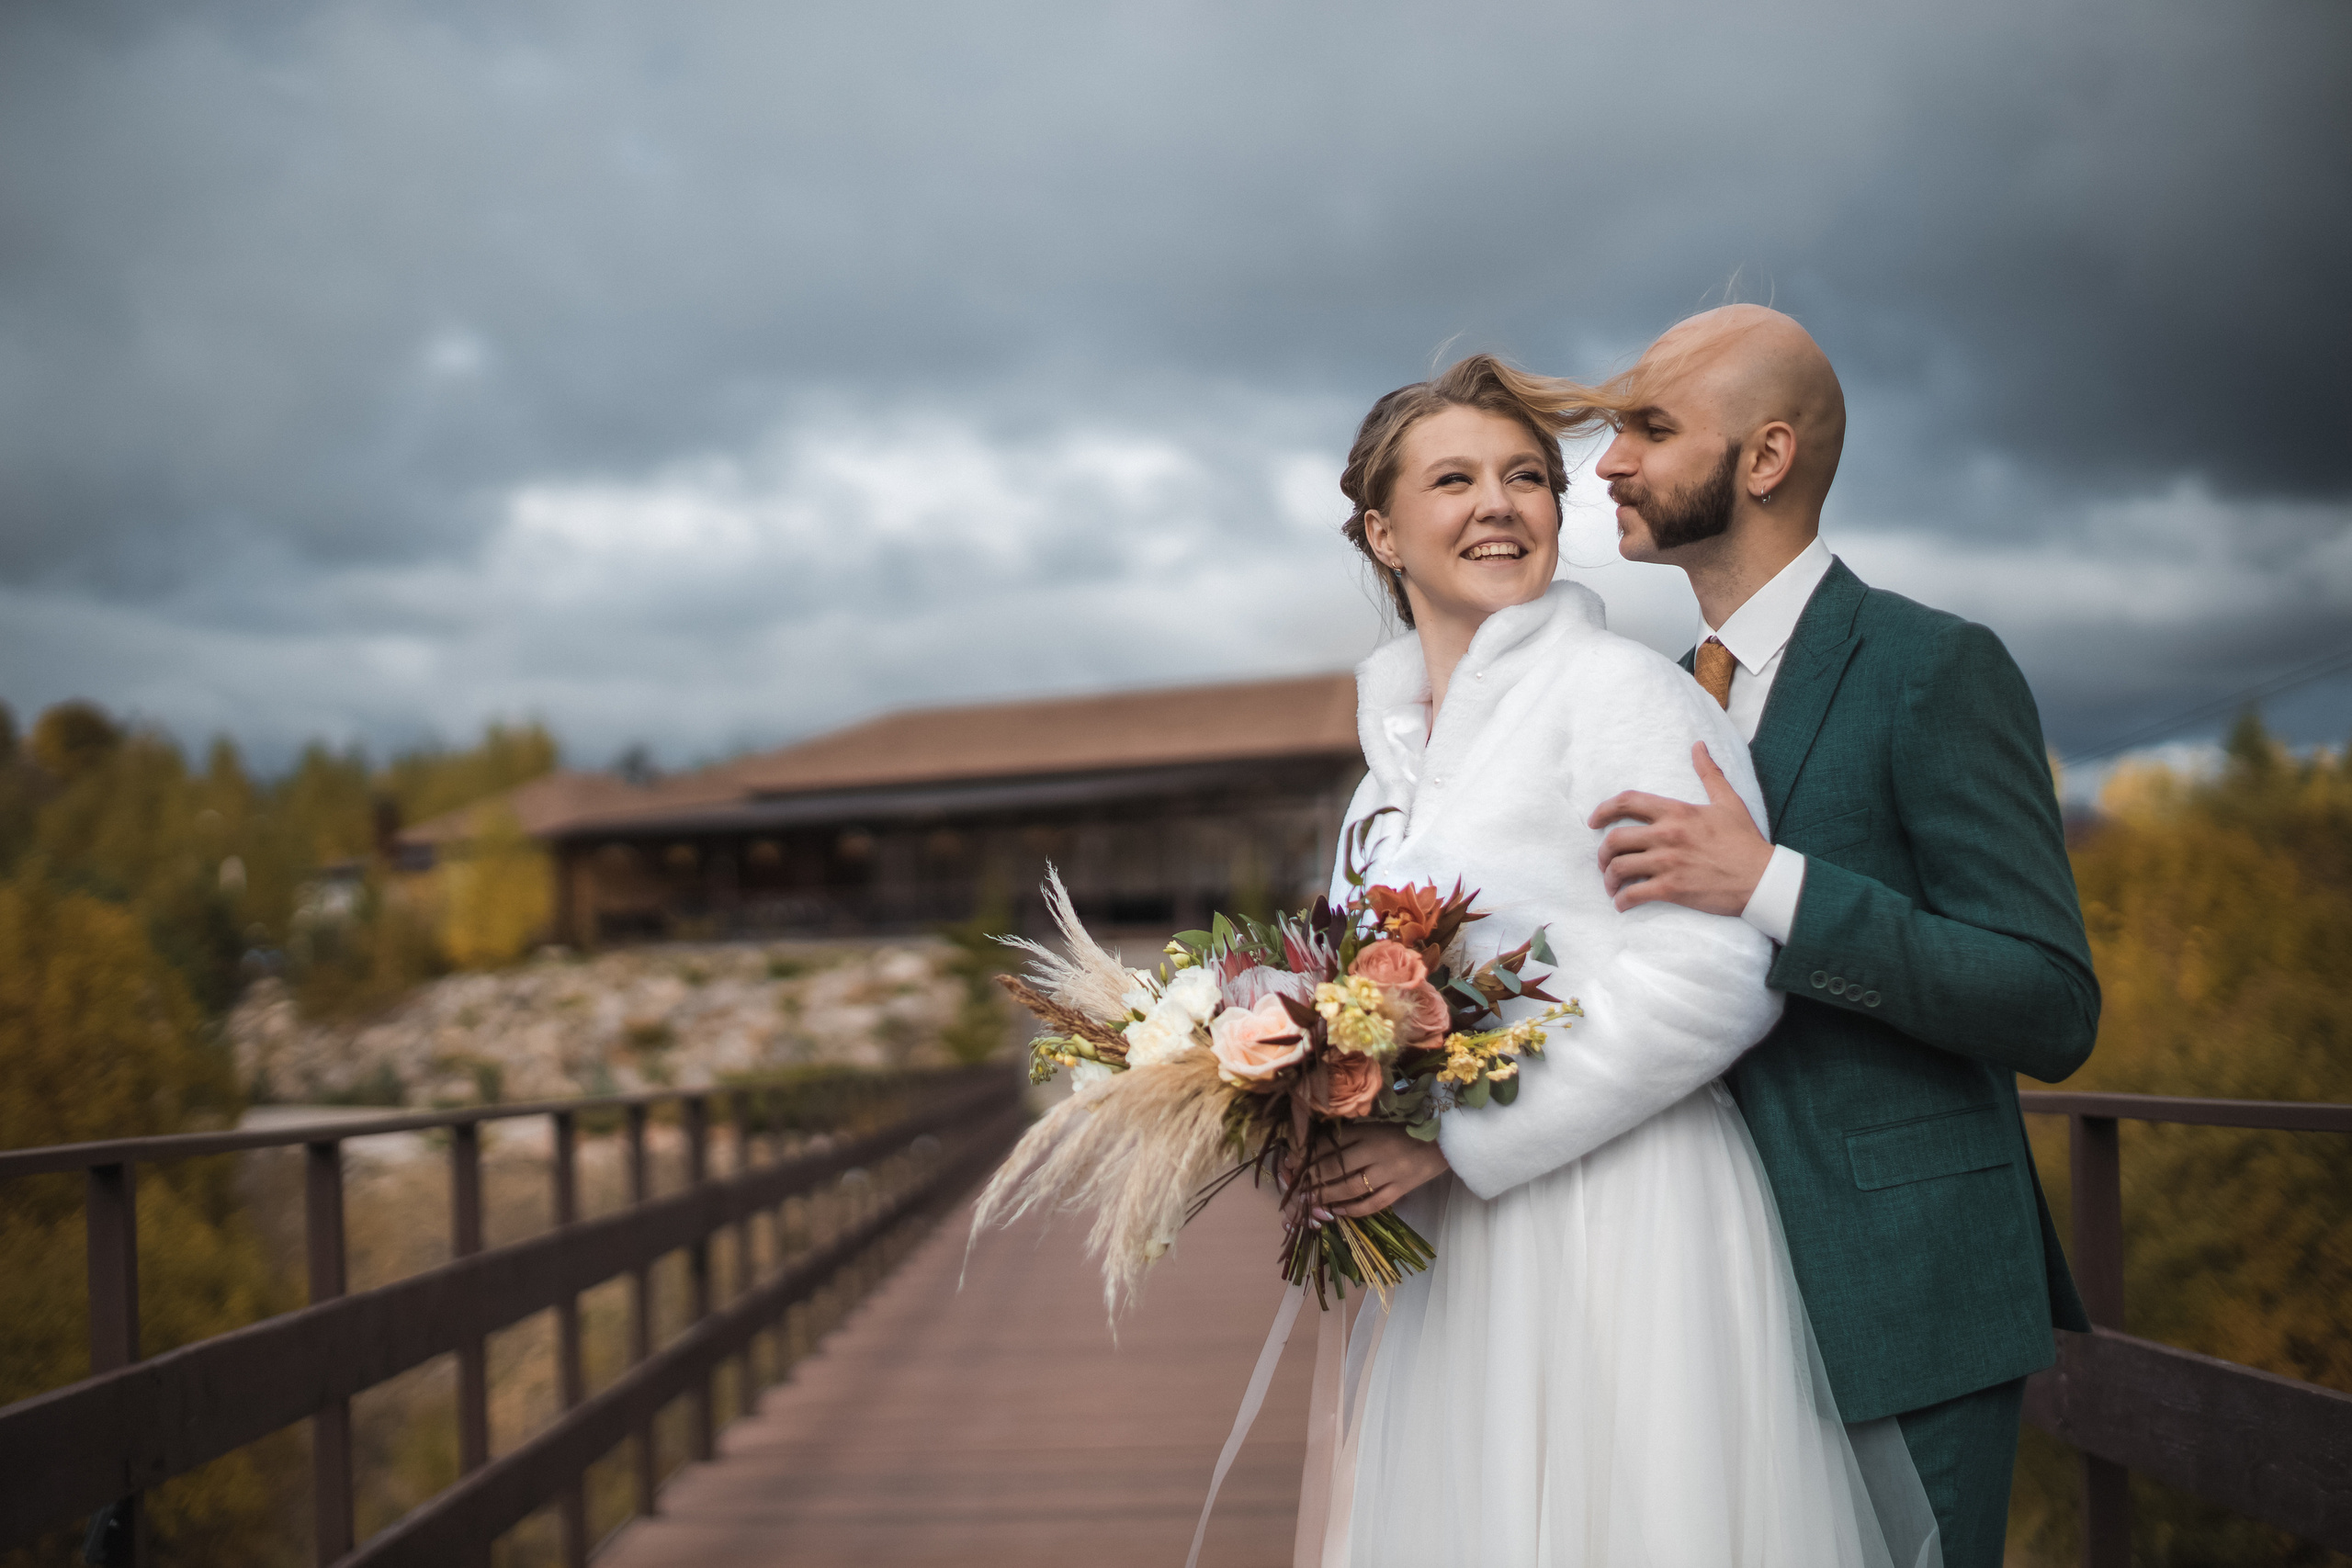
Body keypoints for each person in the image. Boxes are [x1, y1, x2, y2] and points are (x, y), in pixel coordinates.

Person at [1293, 353, 1940, 1567]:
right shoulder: (1388, 770)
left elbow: (1716, 975)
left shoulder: (1620, 695)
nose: (1501, 503)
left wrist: (1455, 1137)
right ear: (1382, 531)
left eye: (1527, 476)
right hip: (1470, 1252)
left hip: (1624, 1219)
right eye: (1455, 479)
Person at [1576, 305, 2099, 1568]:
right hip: (1689, 1301)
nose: (1607, 464)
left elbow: (2049, 1003)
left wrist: (1774, 887)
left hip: (1899, 1293)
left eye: (1649, 428)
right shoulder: (1637, 695)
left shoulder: (1933, 668)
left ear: (1763, 461)